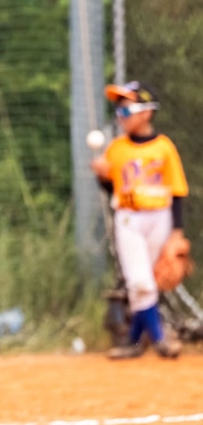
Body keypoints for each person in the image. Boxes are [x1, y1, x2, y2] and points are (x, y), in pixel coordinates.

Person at [92, 81, 187, 359]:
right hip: (129, 219)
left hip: (160, 217)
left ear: (146, 112)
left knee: (150, 283)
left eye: (126, 110)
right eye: (118, 111)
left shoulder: (164, 147)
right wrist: (102, 176)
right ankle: (160, 341)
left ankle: (132, 343)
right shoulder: (116, 149)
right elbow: (113, 190)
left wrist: (177, 232)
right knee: (140, 282)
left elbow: (178, 191)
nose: (120, 116)